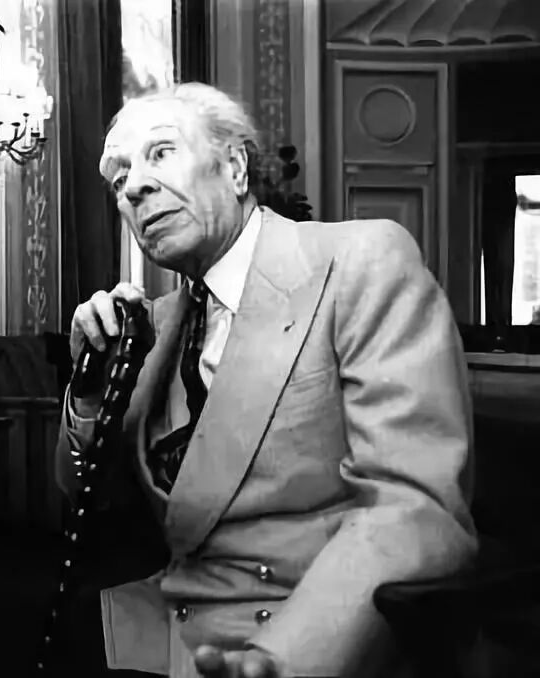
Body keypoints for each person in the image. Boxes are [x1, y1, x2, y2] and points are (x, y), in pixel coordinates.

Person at [56, 82, 476, 678]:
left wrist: (281, 662)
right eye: (119, 177)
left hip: (304, 638)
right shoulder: (153, 326)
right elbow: (87, 503)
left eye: (160, 153)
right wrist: (91, 390)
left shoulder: (361, 260)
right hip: (161, 626)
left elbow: (415, 508)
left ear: (234, 167)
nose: (134, 187)